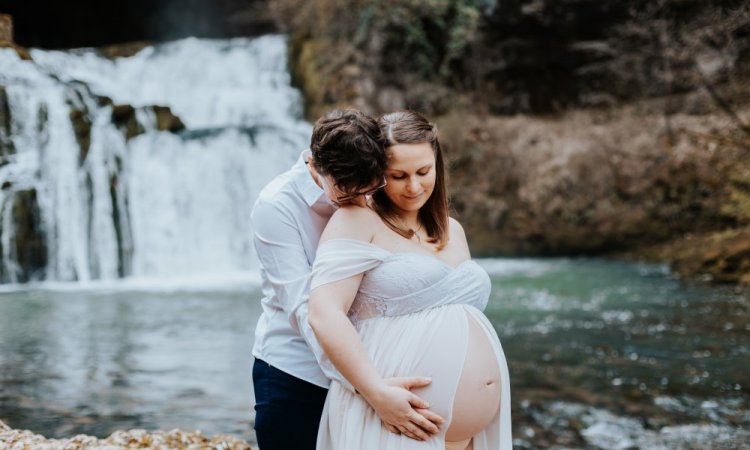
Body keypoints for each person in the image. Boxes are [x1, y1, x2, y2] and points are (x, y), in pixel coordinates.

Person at [308, 110, 512, 450]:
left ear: (438, 165)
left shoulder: (453, 230)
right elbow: (324, 313)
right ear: (376, 173)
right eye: (398, 175)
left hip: (468, 436)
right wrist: (376, 393)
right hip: (392, 418)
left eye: (423, 171)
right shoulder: (357, 220)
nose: (414, 186)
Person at [251, 109, 444, 450]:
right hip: (296, 376)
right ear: (315, 165)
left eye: (368, 191)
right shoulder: (276, 206)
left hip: (371, 372)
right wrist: (369, 388)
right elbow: (305, 310)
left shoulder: (370, 176)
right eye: (345, 194)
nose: (358, 203)